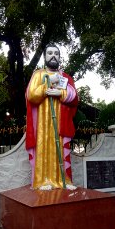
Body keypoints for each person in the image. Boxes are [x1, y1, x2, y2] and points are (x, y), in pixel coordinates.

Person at [26, 43, 78, 190]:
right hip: (42, 122)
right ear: (45, 57)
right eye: (50, 53)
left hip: (60, 122)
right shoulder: (38, 74)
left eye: (56, 53)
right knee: (44, 149)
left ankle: (63, 180)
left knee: (60, 150)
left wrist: (60, 93)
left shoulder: (65, 77)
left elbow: (74, 97)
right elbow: (31, 96)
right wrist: (47, 85)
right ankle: (42, 180)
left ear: (59, 57)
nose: (53, 55)